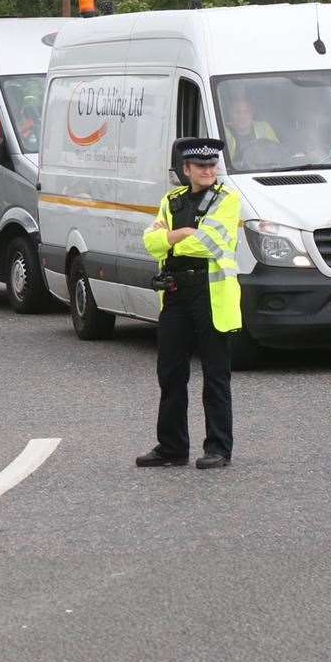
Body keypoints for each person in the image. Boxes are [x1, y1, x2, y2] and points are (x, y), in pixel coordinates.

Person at [137, 137, 243, 470]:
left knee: (215, 374)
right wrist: (178, 236)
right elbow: (149, 240)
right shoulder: (171, 200)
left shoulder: (227, 200)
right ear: (186, 169)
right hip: (175, 293)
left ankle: (218, 448)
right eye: (201, 166)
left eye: (212, 165)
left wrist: (172, 239)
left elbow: (209, 244)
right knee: (170, 372)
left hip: (210, 294)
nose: (208, 171)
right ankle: (171, 447)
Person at [221, 92, 279, 168]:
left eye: (246, 111)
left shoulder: (264, 128)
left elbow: (278, 153)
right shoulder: (221, 132)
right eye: (237, 112)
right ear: (230, 113)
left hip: (264, 171)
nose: (242, 116)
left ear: (252, 113)